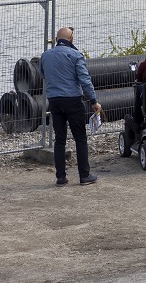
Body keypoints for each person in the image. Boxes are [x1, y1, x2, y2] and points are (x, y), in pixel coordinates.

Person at [39, 27, 101, 186]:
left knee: (59, 139)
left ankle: (60, 177)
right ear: (71, 38)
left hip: (54, 101)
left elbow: (43, 75)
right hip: (73, 100)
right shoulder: (75, 55)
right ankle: (84, 176)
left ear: (55, 39)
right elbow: (84, 80)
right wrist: (93, 101)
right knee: (80, 137)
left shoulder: (45, 56)